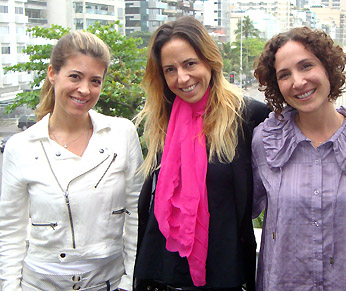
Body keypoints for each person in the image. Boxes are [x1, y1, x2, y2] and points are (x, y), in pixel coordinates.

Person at [252, 26, 346, 290]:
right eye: (284, 75)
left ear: (328, 68)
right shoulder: (265, 142)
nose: (298, 82)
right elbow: (238, 210)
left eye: (306, 66)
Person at [134, 16, 270, 291]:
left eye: (190, 64)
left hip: (224, 274)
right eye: (170, 69)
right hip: (161, 274)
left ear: (209, 60)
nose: (181, 78)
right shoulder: (164, 117)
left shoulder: (249, 117)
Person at [0, 31, 143, 291]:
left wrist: (129, 281)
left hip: (109, 283)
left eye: (95, 81)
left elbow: (135, 214)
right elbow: (11, 230)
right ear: (53, 73)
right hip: (40, 283)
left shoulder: (122, 134)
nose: (85, 89)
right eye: (75, 76)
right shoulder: (21, 146)